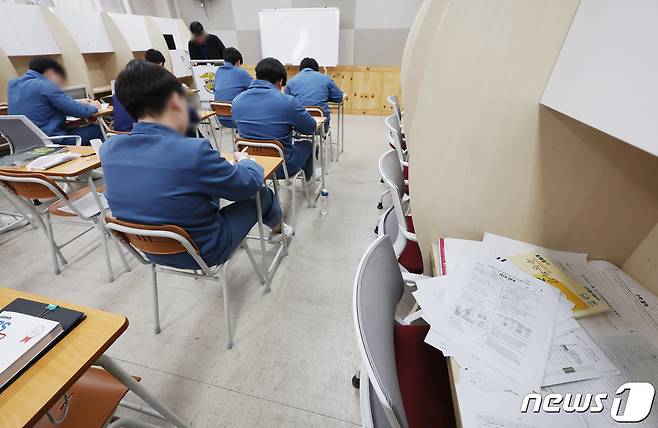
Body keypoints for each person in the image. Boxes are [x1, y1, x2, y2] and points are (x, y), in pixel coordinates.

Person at [101, 60, 292, 269]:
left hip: (149, 250)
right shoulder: (193, 150)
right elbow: (246, 186)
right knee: (262, 194)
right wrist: (246, 163)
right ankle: (279, 231)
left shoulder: (108, 149)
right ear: (176, 101)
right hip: (204, 251)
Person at [232, 58, 317, 181]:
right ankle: (307, 181)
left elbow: (236, 124)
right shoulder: (288, 102)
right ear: (280, 81)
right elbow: (310, 128)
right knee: (307, 144)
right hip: (281, 168)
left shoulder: (236, 101)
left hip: (250, 164)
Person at [7, 56, 103, 145]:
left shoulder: (13, 84)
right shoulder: (45, 84)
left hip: (27, 143)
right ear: (50, 71)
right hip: (52, 141)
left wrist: (78, 102)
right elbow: (80, 112)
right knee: (98, 130)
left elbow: (39, 106)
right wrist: (93, 107)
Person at [113, 48, 200, 135]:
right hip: (152, 133)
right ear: (160, 64)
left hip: (121, 133)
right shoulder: (162, 81)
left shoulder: (109, 146)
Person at [285, 57, 343, 131]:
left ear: (301, 69)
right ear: (316, 69)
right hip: (321, 125)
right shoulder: (325, 79)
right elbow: (339, 97)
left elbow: (287, 104)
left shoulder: (291, 81)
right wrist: (326, 96)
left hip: (298, 125)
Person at [213, 47, 252, 127]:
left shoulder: (218, 72)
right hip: (238, 119)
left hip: (221, 118)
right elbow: (255, 89)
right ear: (238, 62)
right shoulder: (241, 72)